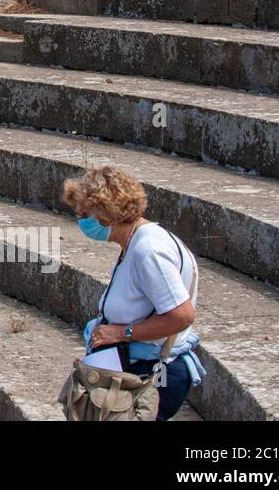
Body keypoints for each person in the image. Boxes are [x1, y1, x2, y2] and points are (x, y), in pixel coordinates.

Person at [64, 165, 203, 421]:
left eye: (85, 213)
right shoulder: (136, 242)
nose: (82, 220)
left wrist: (121, 332)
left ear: (107, 213)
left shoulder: (148, 250)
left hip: (152, 373)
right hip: (136, 367)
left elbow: (181, 315)